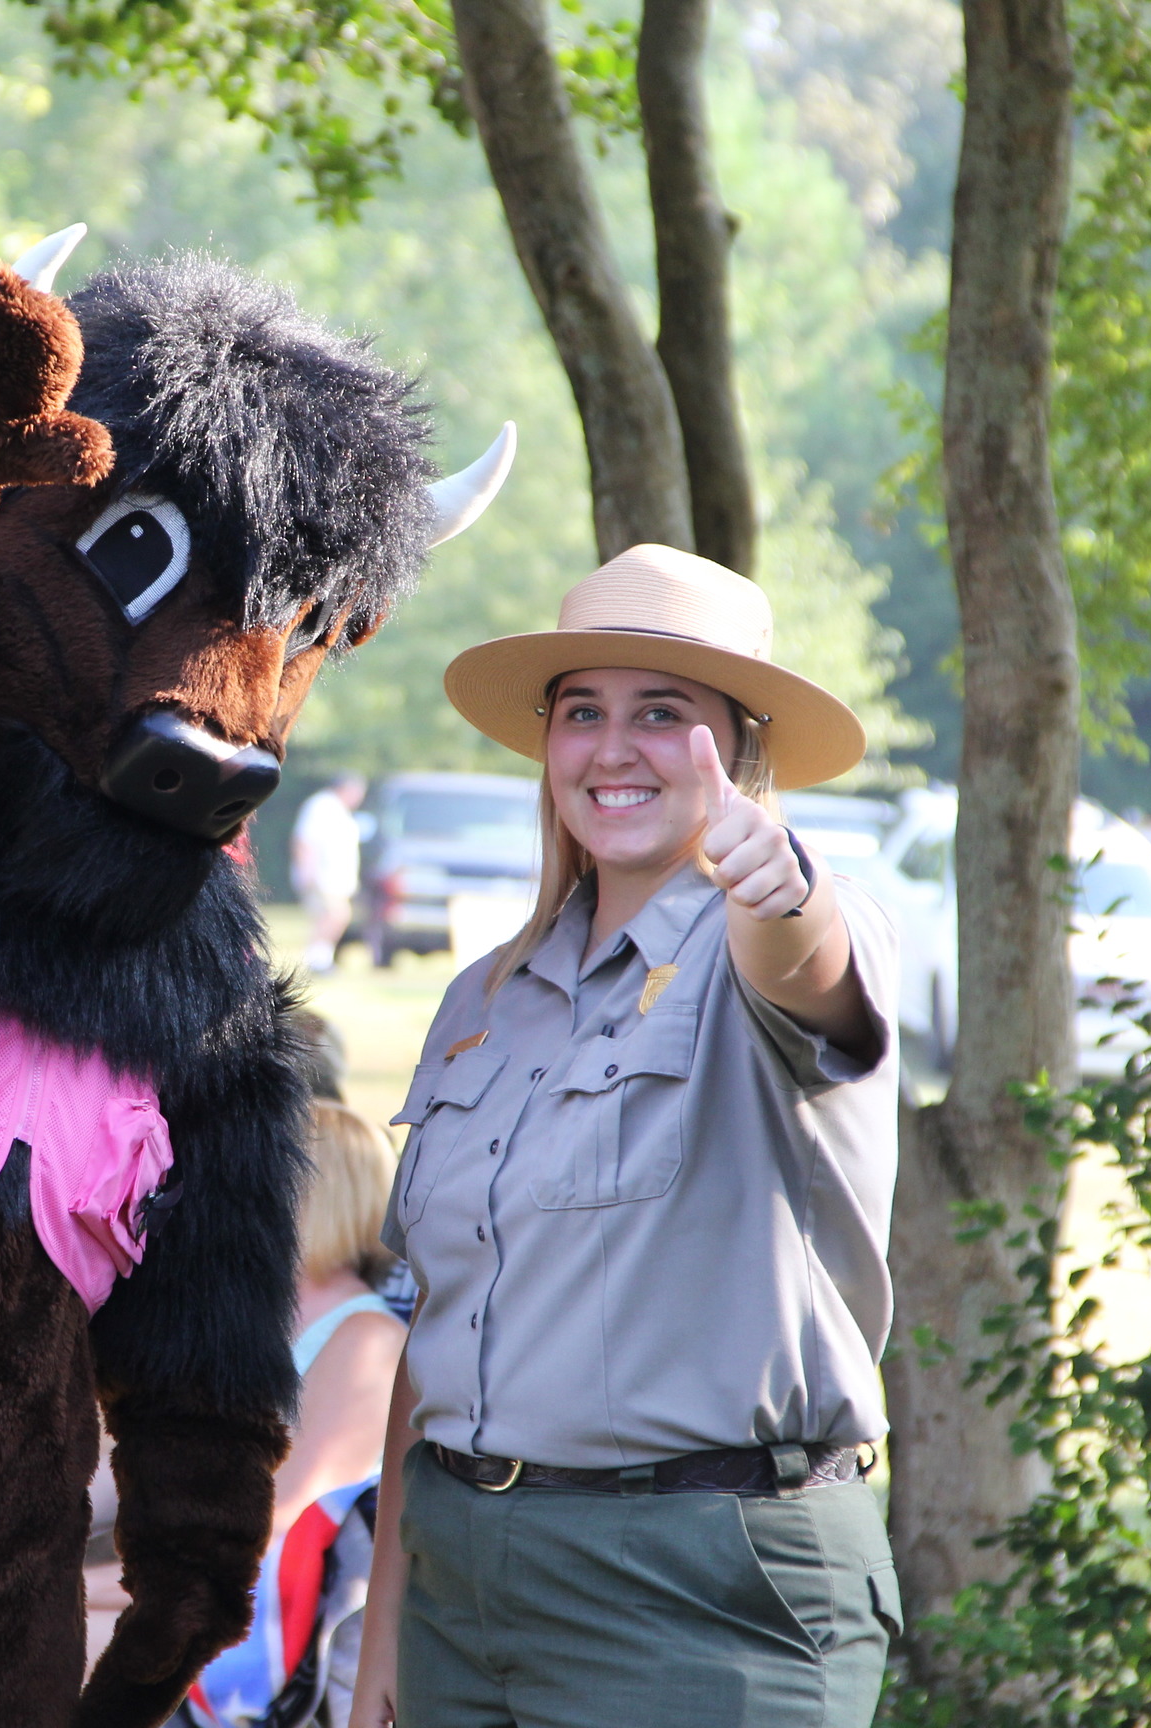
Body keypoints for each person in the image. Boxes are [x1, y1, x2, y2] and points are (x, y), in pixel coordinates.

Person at [350, 545, 900, 1728]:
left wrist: (781, 891)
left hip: (702, 1594)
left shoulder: (776, 934)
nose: (612, 748)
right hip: (458, 1593)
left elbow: (809, 968)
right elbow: (434, 1331)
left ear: (742, 748)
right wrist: (387, 1621)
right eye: (581, 711)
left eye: (663, 713)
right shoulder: (482, 1001)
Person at [84, 1100, 409, 1712]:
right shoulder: (242, 1323)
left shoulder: (369, 1339)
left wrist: (90, 1590)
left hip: (245, 1612)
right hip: (164, 1578)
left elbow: (277, 1512)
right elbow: (105, 1467)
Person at [291, 774, 367, 974]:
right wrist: (307, 870)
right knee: (335, 915)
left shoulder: (340, 810)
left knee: (332, 916)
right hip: (323, 876)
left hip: (335, 878)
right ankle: (317, 959)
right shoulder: (321, 806)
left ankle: (320, 959)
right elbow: (305, 840)